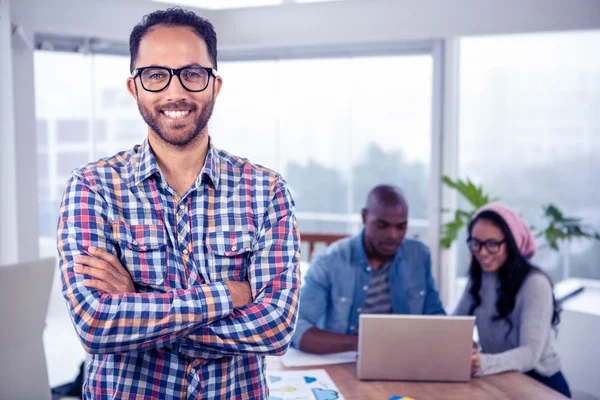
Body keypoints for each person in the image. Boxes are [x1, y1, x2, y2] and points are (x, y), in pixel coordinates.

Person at [56, 8, 300, 399]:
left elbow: (275, 328)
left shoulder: (266, 190)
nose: (175, 92)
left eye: (192, 73)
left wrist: (138, 309)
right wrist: (229, 295)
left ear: (214, 85)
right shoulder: (93, 186)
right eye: (155, 75)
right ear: (134, 87)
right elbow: (96, 326)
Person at [292, 184, 445, 354]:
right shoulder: (329, 261)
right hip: (345, 363)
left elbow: (436, 317)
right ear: (364, 217)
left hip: (408, 359)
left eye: (401, 227)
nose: (393, 235)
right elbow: (296, 328)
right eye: (382, 225)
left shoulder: (419, 255)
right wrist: (363, 343)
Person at [453, 203, 571, 397]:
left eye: (492, 244)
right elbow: (455, 324)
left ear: (512, 244)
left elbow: (529, 354)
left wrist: (481, 362)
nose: (482, 252)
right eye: (476, 243)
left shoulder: (534, 283)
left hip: (541, 384)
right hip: (498, 378)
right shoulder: (480, 278)